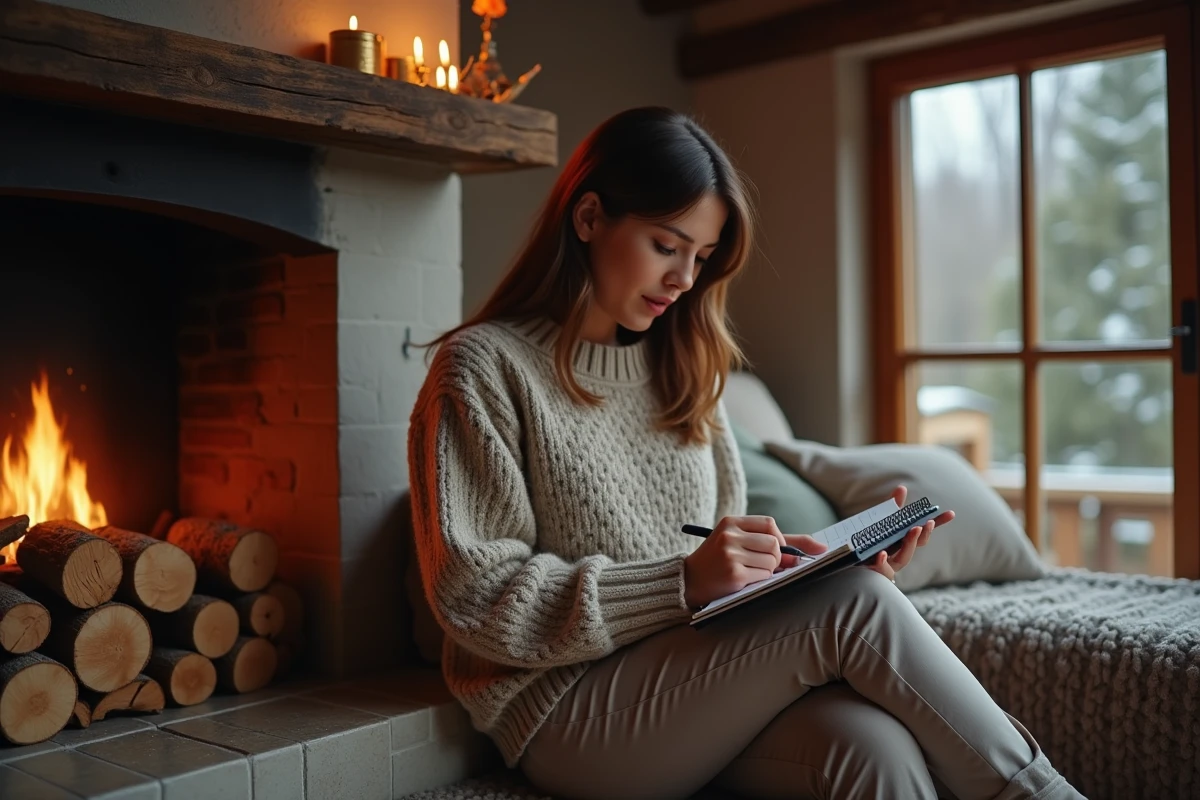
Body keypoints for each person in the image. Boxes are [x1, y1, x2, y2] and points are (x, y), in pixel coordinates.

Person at [407, 106, 1083, 800]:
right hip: (563, 709)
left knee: (874, 749)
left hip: (694, 679)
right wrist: (680, 583)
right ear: (588, 218)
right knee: (854, 605)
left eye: (700, 258)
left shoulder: (686, 371)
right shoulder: (483, 368)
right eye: (666, 245)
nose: (683, 280)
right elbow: (475, 596)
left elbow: (719, 569)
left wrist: (798, 569)